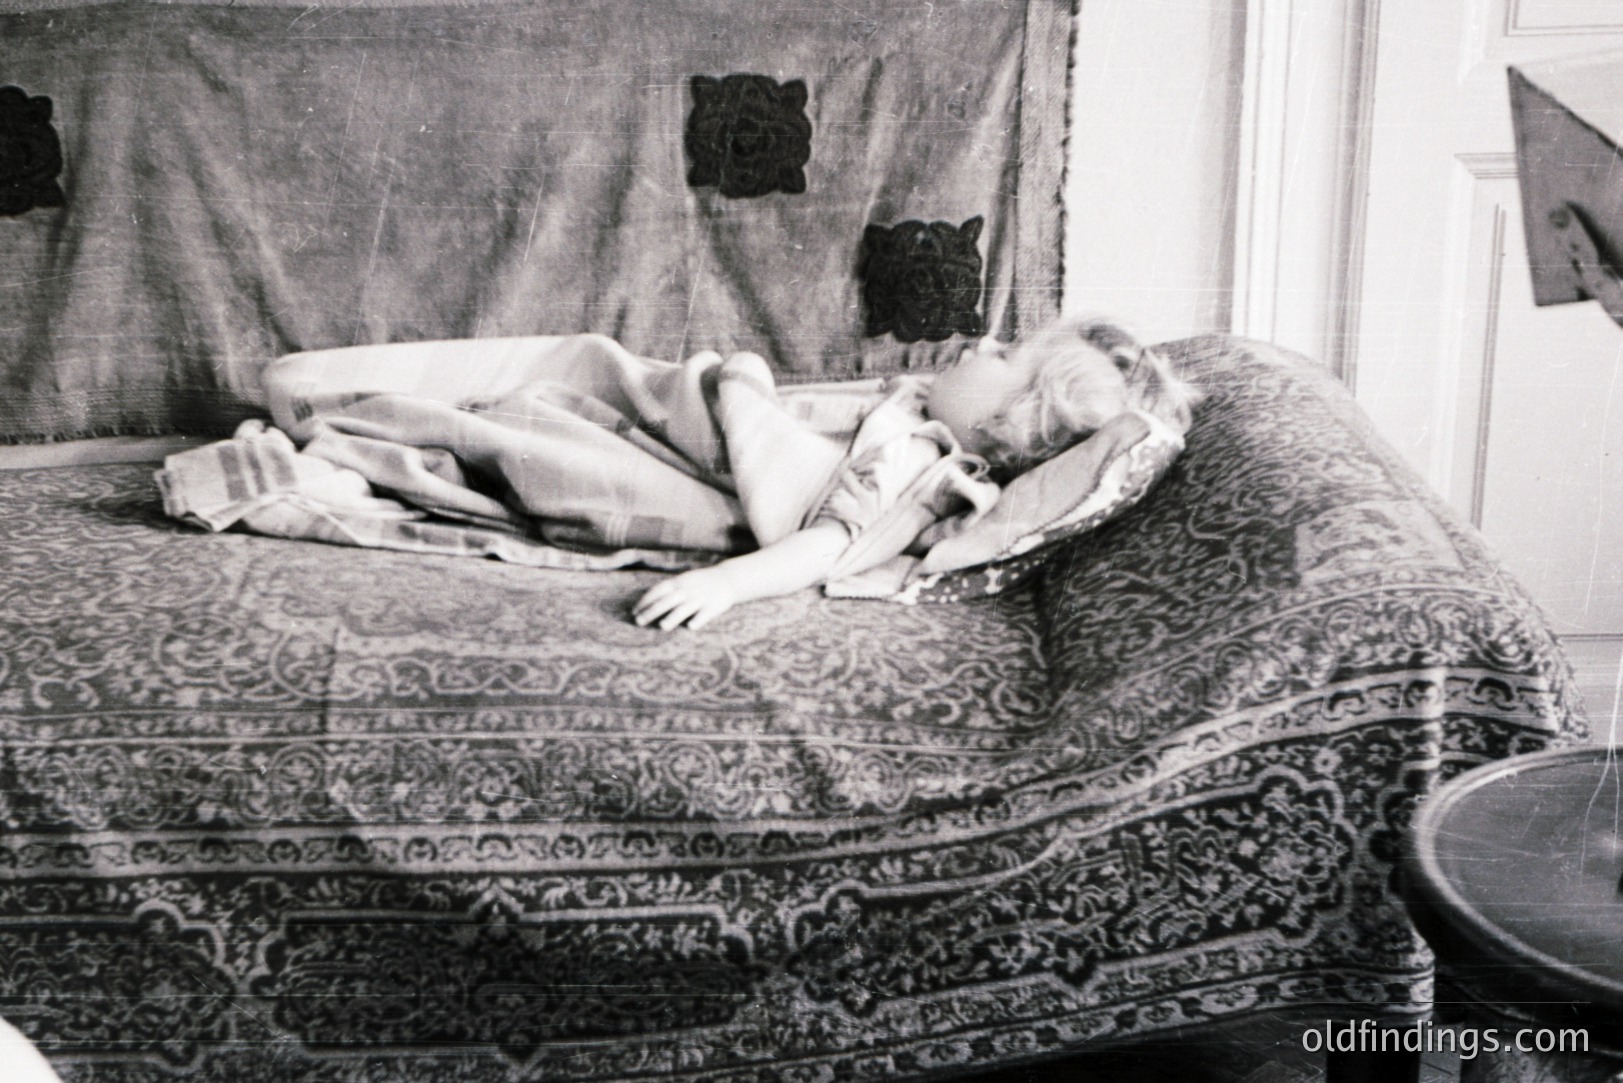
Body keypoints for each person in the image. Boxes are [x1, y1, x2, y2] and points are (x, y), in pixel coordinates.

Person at [633, 317, 1199, 630]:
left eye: (1006, 356)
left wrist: (727, 584)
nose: (985, 342)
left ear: (1006, 424)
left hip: (690, 457)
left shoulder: (918, 462)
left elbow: (834, 544)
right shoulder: (913, 409)